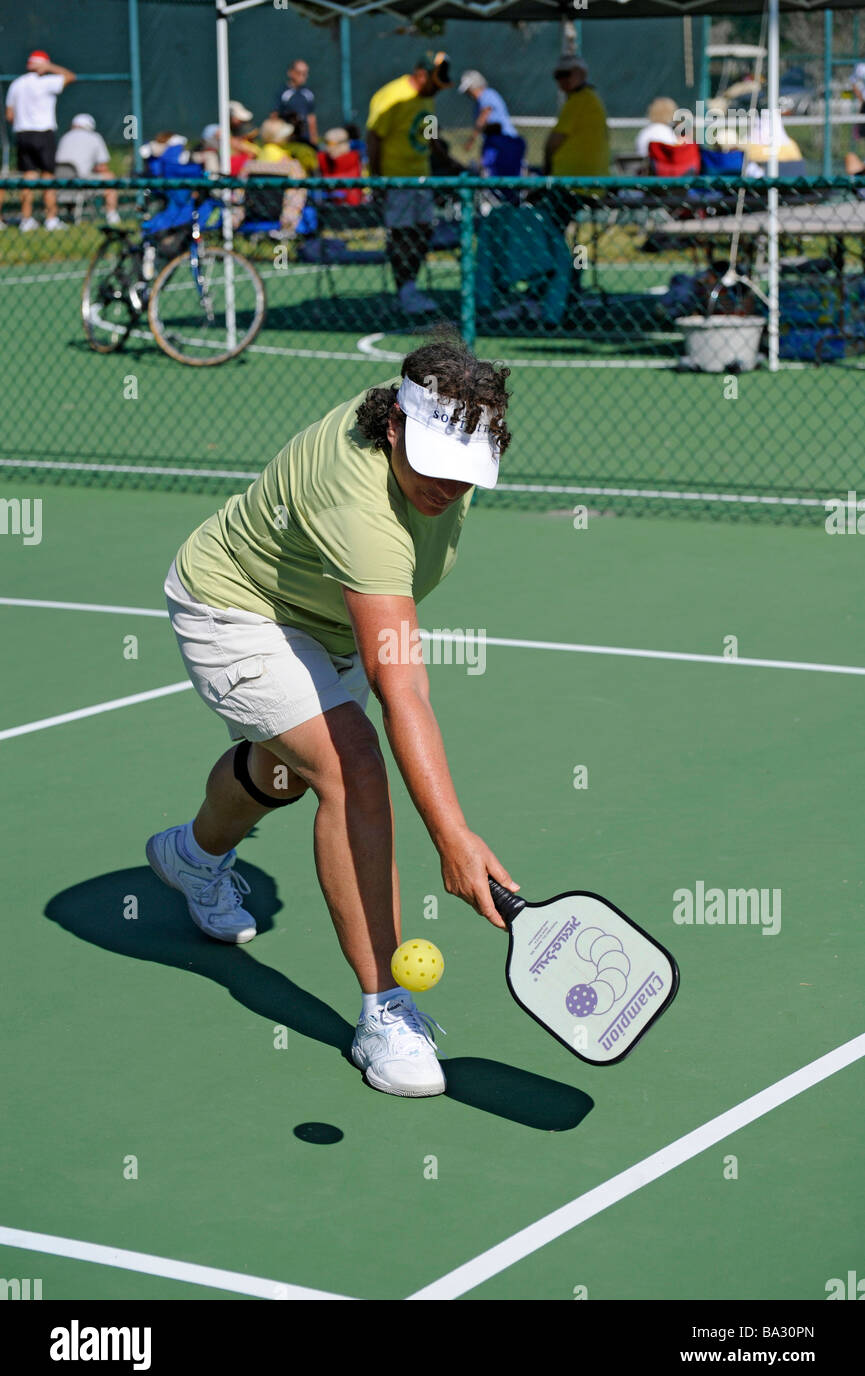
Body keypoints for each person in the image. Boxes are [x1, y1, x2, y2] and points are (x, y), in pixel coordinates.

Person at [146, 332, 518, 1100]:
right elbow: (402, 687)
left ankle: (191, 856)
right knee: (352, 766)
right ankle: (385, 1008)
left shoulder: (436, 417)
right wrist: (453, 838)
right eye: (435, 468)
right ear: (392, 430)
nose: (449, 488)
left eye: (465, 474)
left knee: (284, 773)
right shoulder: (358, 503)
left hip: (325, 617)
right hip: (237, 607)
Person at [366, 52, 452, 315]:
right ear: (422, 75)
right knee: (402, 234)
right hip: (397, 180)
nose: (437, 90)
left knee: (423, 231)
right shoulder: (393, 96)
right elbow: (374, 138)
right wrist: (378, 180)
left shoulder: (426, 100)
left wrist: (451, 163)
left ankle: (410, 287)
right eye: (435, 83)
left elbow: (430, 137)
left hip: (421, 177)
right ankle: (404, 290)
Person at [5, 48, 76, 231]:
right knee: (47, 177)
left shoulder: (16, 84)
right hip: (43, 134)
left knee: (28, 177)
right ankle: (51, 219)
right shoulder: (46, 82)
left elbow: (9, 115)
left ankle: (26, 219)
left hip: (22, 135)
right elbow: (70, 76)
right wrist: (50, 67)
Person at [543, 55, 609, 180]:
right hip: (587, 182)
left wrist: (547, 167)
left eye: (566, 74)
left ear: (582, 74)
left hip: (572, 182)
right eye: (558, 76)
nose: (562, 80)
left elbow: (554, 141)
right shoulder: (589, 98)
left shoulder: (580, 99)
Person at [458, 69, 525, 183]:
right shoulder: (480, 101)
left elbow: (484, 117)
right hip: (495, 143)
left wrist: (471, 140)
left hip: (505, 143)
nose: (468, 93)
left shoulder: (487, 95)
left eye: (469, 89)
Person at [55, 112, 120, 225]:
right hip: (81, 182)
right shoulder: (95, 137)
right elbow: (103, 167)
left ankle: (70, 215)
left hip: (61, 184)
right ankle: (112, 215)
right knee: (110, 177)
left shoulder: (64, 137)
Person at [274, 59, 318, 148]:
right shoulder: (283, 93)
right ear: (290, 73)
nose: (302, 76)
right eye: (299, 73)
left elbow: (311, 118)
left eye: (305, 73)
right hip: (287, 140)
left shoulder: (308, 93)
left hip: (305, 140)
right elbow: (274, 116)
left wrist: (314, 139)